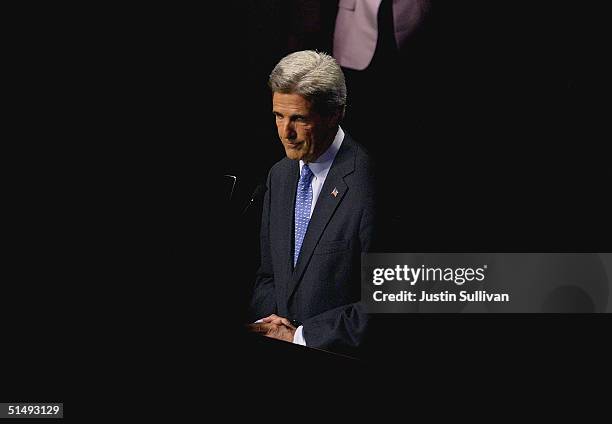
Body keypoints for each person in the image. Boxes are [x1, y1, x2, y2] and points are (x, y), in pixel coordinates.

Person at [247, 50, 377, 355]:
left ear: (335, 114)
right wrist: (272, 327)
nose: (285, 133)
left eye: (299, 119)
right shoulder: (278, 176)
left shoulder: (370, 183)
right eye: (278, 116)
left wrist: (302, 337)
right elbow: (268, 275)